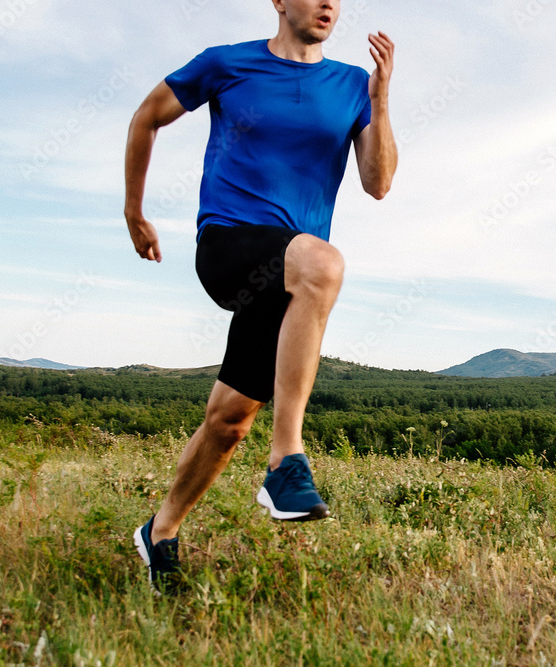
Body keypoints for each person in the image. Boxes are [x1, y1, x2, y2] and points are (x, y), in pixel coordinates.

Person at [123, 0, 397, 591]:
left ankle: (160, 532)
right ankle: (286, 461)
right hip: (228, 243)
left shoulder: (352, 85)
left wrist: (379, 98)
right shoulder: (227, 64)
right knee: (324, 263)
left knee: (228, 420)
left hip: (289, 277)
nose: (328, 3)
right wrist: (135, 212)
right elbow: (145, 117)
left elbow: (378, 183)